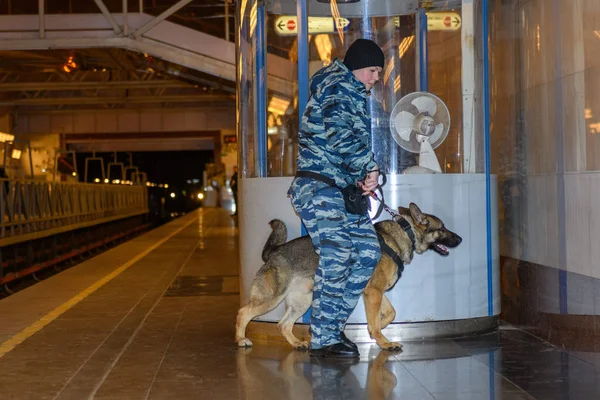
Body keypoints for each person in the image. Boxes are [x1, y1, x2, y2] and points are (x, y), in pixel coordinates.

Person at [287, 39, 384, 358]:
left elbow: (342, 143)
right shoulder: (338, 87)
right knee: (338, 254)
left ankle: (330, 328)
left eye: (378, 72)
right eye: (372, 70)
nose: (375, 78)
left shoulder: (351, 91)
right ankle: (324, 337)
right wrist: (368, 167)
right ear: (357, 66)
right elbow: (341, 136)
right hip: (319, 188)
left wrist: (362, 175)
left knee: (369, 251)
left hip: (341, 190)